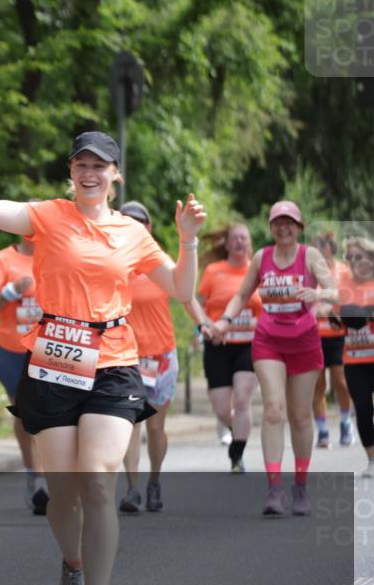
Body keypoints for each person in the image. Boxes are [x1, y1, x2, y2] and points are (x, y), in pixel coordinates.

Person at [0, 126, 205, 585]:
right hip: (54, 360)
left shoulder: (132, 233)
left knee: (97, 479)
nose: (89, 173)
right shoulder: (48, 215)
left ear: (115, 175)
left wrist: (187, 240)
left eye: (99, 166)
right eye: (81, 165)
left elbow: (182, 288)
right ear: (71, 172)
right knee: (62, 495)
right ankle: (72, 563)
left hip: (113, 362)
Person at [212, 201, 337, 517]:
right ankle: (274, 489)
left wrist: (318, 294)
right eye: (278, 223)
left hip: (305, 343)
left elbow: (335, 291)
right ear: (271, 227)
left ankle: (300, 486)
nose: (284, 228)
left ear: (299, 227)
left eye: (289, 223)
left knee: (300, 416)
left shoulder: (310, 256)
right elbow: (242, 294)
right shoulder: (261, 257)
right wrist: (225, 320)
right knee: (273, 410)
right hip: (269, 341)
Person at [117, 201, 180, 514]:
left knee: (155, 428)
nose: (132, 224)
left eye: (139, 221)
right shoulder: (111, 264)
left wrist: (205, 324)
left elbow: (186, 293)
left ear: (148, 227)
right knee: (130, 423)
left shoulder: (159, 262)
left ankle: (154, 480)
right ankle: (132, 489)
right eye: (126, 219)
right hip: (126, 357)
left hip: (161, 356)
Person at [185, 224, 261, 472]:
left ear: (249, 243)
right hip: (217, 344)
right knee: (221, 408)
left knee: (242, 398)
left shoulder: (258, 273)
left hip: (249, 345)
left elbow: (269, 311)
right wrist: (204, 328)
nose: (239, 242)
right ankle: (235, 428)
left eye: (244, 238)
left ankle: (237, 455)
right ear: (227, 244)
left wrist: (253, 326)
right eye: (235, 238)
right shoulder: (213, 271)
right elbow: (199, 305)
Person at [0, 238, 49, 513]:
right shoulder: (2, 260)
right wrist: (9, 292)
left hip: (49, 349)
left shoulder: (58, 255)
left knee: (47, 414)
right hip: (13, 351)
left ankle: (48, 478)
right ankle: (36, 476)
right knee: (25, 414)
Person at [312, 232, 354, 447]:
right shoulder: (310, 271)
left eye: (316, 247)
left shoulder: (344, 270)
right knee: (318, 385)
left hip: (338, 335)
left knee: (341, 382)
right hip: (314, 335)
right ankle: (322, 431)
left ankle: (346, 422)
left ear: (327, 248)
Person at [339, 237, 374, 477]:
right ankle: (372, 460)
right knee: (362, 408)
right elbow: (330, 314)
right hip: (354, 360)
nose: (354, 261)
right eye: (349, 257)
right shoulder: (342, 287)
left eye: (359, 256)